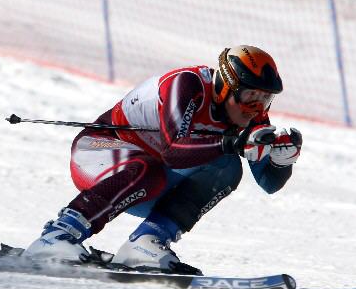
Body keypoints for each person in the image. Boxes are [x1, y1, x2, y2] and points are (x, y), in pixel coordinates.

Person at [20, 45, 303, 274]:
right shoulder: (186, 84)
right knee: (151, 168)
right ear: (227, 86)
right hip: (98, 152)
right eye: (251, 95)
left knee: (227, 168)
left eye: (265, 99)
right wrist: (232, 142)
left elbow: (269, 183)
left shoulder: (251, 114)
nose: (256, 107)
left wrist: (281, 160)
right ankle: (56, 236)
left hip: (147, 177)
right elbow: (174, 151)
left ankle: (145, 243)